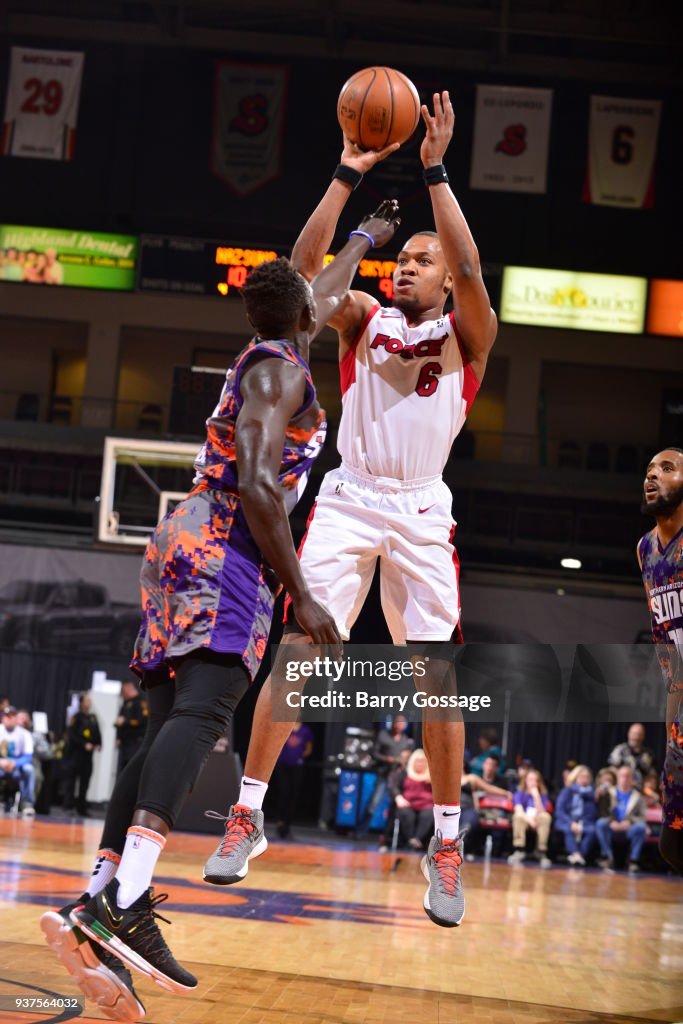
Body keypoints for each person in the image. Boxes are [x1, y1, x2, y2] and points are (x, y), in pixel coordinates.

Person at [41, 203, 400, 1016]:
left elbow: (321, 285)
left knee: (170, 722)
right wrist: (303, 594)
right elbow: (260, 484)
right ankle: (127, 897)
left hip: (182, 543)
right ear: (308, 314)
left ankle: (95, 902)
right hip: (228, 547)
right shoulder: (282, 374)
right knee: (205, 717)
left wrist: (362, 239)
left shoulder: (269, 349)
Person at [203, 91, 497, 930]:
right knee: (299, 649)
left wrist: (435, 173)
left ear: (444, 279)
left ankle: (445, 845)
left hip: (418, 507)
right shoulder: (362, 320)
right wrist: (346, 173)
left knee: (433, 679)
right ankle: (247, 812)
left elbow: (472, 271)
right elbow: (301, 277)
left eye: (420, 260)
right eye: (399, 257)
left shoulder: (467, 334)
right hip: (350, 492)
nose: (405, 266)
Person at [638, 447, 683, 875]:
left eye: (667, 469)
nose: (653, 476)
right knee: (672, 845)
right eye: (649, 471)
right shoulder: (645, 549)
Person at [360, 714, 414, 832]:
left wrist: (404, 759)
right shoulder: (383, 735)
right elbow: (374, 753)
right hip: (384, 774)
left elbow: (408, 757)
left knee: (396, 806)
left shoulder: (406, 739)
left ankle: (388, 836)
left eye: (402, 723)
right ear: (394, 723)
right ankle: (360, 831)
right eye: (398, 722)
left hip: (397, 777)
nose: (400, 725)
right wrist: (387, 758)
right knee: (373, 804)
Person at [595, 765, 647, 873]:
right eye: (622, 776)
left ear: (632, 779)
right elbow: (602, 811)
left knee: (641, 827)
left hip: (628, 829)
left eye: (628, 776)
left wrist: (630, 822)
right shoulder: (609, 792)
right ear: (618, 777)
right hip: (611, 827)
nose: (624, 779)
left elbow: (642, 817)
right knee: (600, 823)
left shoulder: (638, 797)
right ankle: (607, 858)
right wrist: (611, 821)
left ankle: (633, 860)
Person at [271, 721, 314, 839]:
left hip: (297, 766)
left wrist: (300, 755)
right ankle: (280, 822)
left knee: (293, 795)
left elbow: (309, 749)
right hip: (283, 764)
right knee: (284, 792)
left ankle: (287, 825)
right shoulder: (285, 726)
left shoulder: (305, 730)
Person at [61, 693, 102, 817]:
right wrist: (84, 744)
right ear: (81, 703)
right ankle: (68, 806)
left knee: (85, 783)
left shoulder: (93, 718)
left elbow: (97, 733)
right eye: (87, 700)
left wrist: (99, 744)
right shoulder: (76, 717)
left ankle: (81, 808)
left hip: (87, 757)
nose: (89, 703)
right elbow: (71, 735)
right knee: (71, 782)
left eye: (90, 700)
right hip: (75, 755)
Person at [508, 768, 553, 868]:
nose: (533, 782)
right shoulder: (519, 794)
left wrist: (536, 796)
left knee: (546, 817)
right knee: (518, 817)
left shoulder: (542, 795)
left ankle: (541, 851)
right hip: (525, 818)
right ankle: (519, 850)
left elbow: (542, 811)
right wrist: (529, 820)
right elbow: (519, 810)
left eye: (535, 780)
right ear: (525, 781)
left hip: (537, 818)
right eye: (530, 779)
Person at [554, 765, 598, 866]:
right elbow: (559, 811)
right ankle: (576, 854)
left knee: (592, 831)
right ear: (575, 777)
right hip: (566, 820)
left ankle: (579, 855)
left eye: (587, 777)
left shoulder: (591, 794)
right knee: (568, 829)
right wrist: (571, 822)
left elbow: (592, 813)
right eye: (582, 776)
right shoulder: (567, 791)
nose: (585, 779)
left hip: (585, 822)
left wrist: (581, 824)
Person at [0, 705, 35, 815]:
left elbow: (28, 756)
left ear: (16, 718)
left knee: (29, 769)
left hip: (16, 767)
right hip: (1, 765)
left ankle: (26, 803)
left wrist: (14, 763)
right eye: (7, 716)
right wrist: (1, 762)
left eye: (12, 716)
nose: (10, 719)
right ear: (2, 718)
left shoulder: (25, 734)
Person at [395, 749, 433, 850]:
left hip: (427, 804)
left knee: (428, 815)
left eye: (422, 761)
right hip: (408, 803)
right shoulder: (405, 774)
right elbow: (394, 786)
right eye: (418, 760)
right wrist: (399, 797)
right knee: (406, 814)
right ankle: (411, 839)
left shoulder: (431, 775)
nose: (420, 763)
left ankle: (417, 839)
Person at [115, 681, 148, 776]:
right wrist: (118, 737)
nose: (123, 695)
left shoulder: (141, 702)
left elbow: (141, 721)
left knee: (131, 769)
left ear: (129, 689)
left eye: (123, 692)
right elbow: (119, 720)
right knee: (123, 769)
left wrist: (125, 721)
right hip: (125, 743)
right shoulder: (126, 703)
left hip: (136, 742)